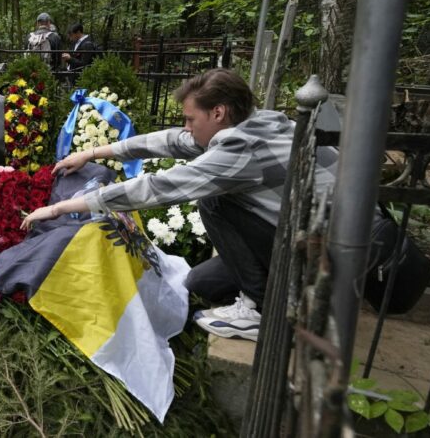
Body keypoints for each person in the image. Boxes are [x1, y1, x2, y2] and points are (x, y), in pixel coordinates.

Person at [20, 68, 339, 342]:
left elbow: (160, 187)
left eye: (190, 119)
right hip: (300, 229)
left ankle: (261, 308)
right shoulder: (253, 122)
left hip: (325, 250)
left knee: (213, 200)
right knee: (201, 284)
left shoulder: (241, 148)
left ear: (218, 113)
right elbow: (171, 140)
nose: (186, 127)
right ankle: (265, 289)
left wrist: (63, 207)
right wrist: (91, 154)